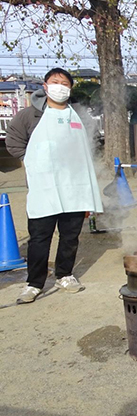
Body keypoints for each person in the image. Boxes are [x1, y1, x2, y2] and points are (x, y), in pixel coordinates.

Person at [6, 67, 103, 304]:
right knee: (40, 237)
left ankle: (65, 274)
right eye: (55, 81)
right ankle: (34, 283)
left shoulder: (79, 114)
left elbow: (94, 141)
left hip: (74, 186)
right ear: (45, 86)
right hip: (45, 187)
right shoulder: (31, 115)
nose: (60, 86)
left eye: (65, 83)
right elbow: (13, 140)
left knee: (70, 236)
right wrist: (31, 160)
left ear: (70, 88)